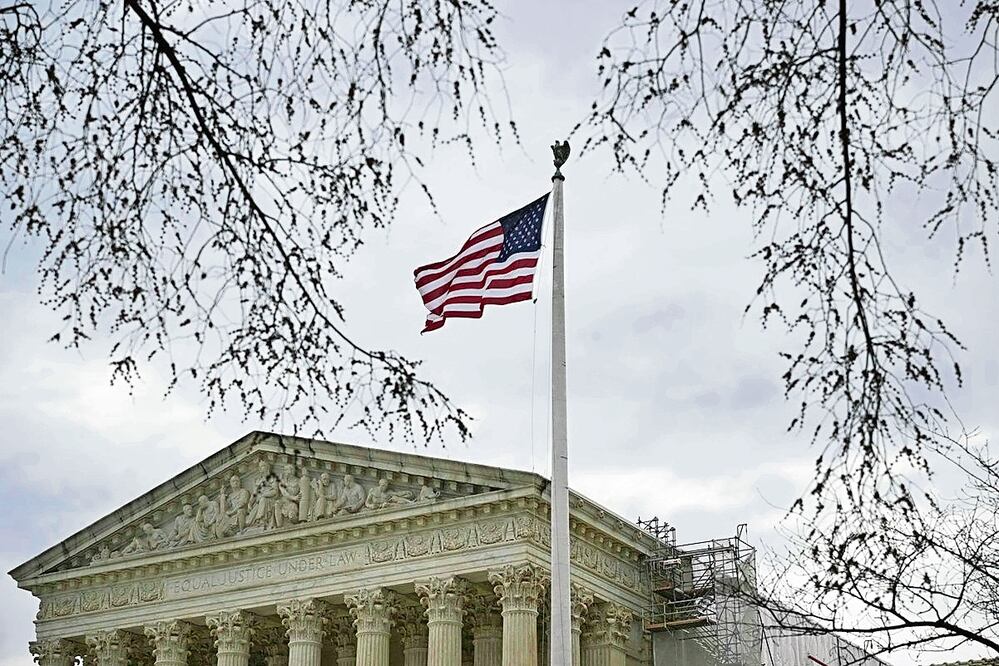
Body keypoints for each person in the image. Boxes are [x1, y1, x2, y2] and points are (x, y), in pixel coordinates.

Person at [247, 461, 279, 528]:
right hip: (259, 503)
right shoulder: (258, 481)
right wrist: (250, 503)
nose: (260, 468)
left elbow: (275, 491)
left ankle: (261, 520)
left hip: (270, 500)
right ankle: (257, 522)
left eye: (262, 466)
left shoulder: (273, 478)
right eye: (259, 467)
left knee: (263, 500)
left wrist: (264, 495)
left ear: (267, 467)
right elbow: (254, 494)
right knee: (248, 522)